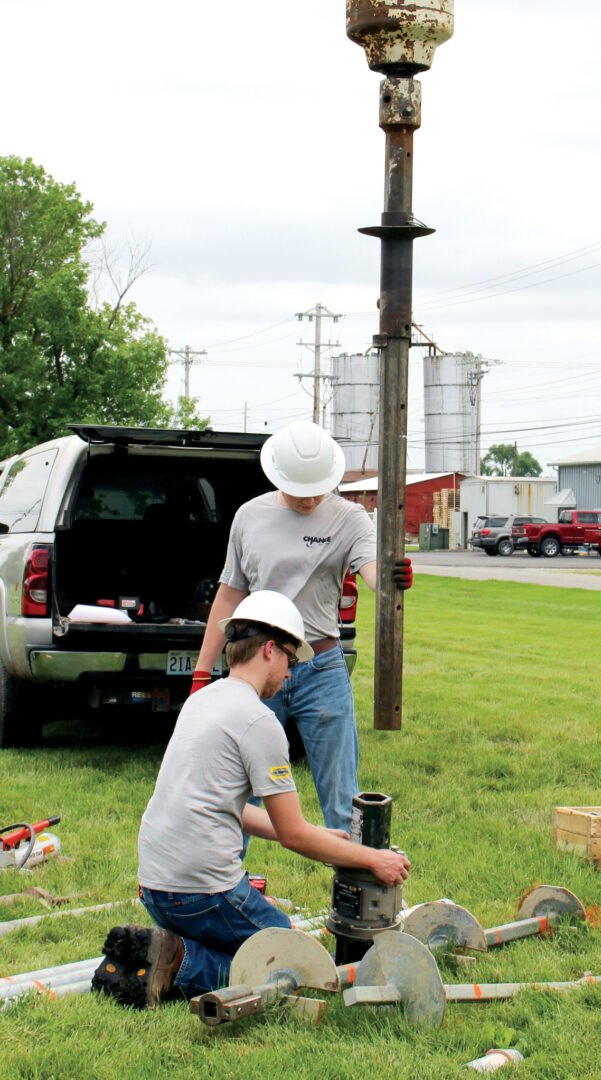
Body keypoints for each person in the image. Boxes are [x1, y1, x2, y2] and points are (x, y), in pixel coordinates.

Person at [92, 590, 410, 1009]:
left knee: (260, 950)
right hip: (202, 893)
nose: (291, 675)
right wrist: (372, 859)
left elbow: (232, 807)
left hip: (154, 889)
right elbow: (294, 835)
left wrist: (323, 834)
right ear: (269, 649)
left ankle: (162, 946)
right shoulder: (259, 721)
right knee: (297, 967)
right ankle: (179, 959)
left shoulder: (201, 701)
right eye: (290, 661)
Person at [189, 419, 412, 832]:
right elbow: (229, 593)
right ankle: (225, 887)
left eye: (318, 492)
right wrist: (203, 671)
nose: (310, 502)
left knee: (343, 798)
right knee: (236, 792)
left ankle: (353, 893)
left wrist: (392, 578)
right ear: (278, 476)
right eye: (301, 493)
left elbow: (371, 570)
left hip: (320, 668)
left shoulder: (350, 518)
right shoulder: (249, 516)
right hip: (257, 666)